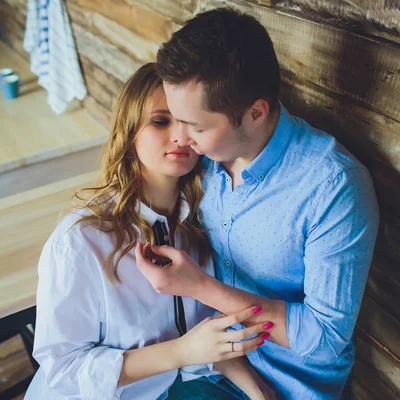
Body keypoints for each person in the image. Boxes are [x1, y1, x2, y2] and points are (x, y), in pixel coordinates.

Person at [134, 8, 380, 400]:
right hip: (211, 364)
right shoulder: (202, 162)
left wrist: (199, 287)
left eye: (196, 126)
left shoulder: (333, 187)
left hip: (291, 385)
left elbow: (325, 338)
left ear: (255, 113)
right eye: (175, 120)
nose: (182, 138)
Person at [24, 63, 276, 400]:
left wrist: (261, 393)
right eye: (160, 121)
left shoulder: (202, 220)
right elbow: (63, 370)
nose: (181, 137)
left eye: (189, 123)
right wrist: (181, 351)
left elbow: (207, 341)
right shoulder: (80, 239)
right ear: (129, 130)